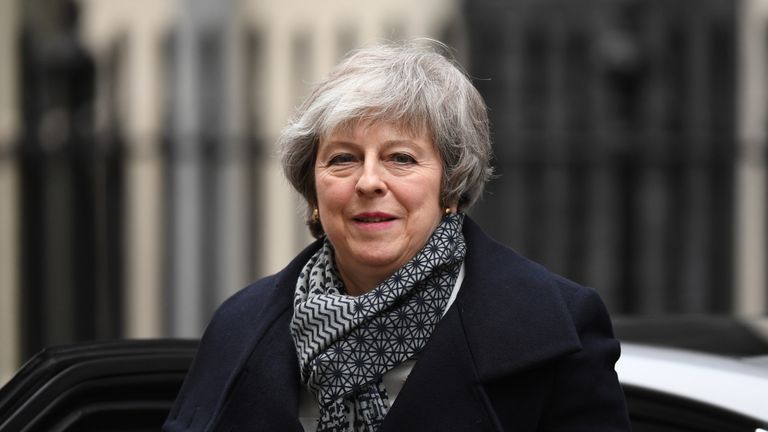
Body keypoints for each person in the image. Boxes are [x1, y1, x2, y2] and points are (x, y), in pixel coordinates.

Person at [163, 39, 631, 432]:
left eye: (401, 158)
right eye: (343, 158)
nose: (369, 181)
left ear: (450, 185)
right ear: (314, 189)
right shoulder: (237, 327)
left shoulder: (557, 327)